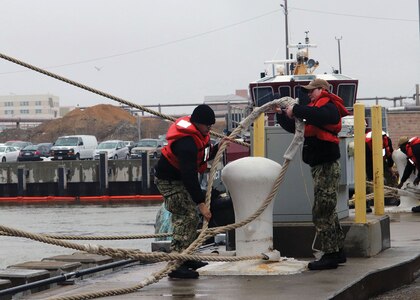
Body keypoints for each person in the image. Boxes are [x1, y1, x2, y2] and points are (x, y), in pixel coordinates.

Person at [275, 78, 349, 270]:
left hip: (326, 165)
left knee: (322, 210)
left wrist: (297, 110)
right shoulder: (314, 110)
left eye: (312, 91)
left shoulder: (330, 105)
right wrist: (283, 116)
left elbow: (328, 117)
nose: (308, 94)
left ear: (322, 90)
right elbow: (296, 128)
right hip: (319, 165)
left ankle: (330, 254)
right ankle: (337, 251)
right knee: (328, 210)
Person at [154, 104, 218, 279]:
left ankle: (186, 257)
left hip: (180, 180)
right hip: (169, 181)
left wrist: (218, 148)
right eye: (207, 125)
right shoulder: (186, 144)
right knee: (186, 215)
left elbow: (203, 155)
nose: (210, 129)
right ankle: (176, 264)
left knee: (191, 216)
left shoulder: (198, 136)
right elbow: (189, 175)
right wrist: (201, 204)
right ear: (197, 123)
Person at [365, 131, 398, 211]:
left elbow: (389, 154)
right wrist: (371, 177)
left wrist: (390, 167)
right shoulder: (366, 143)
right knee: (367, 182)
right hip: (367, 161)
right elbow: (367, 162)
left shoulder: (387, 140)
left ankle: (393, 197)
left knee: (391, 177)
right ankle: (367, 203)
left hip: (381, 159)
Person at [396, 136, 420, 212]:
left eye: (400, 148)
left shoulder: (416, 149)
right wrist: (402, 182)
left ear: (404, 146)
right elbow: (408, 168)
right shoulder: (411, 151)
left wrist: (419, 177)